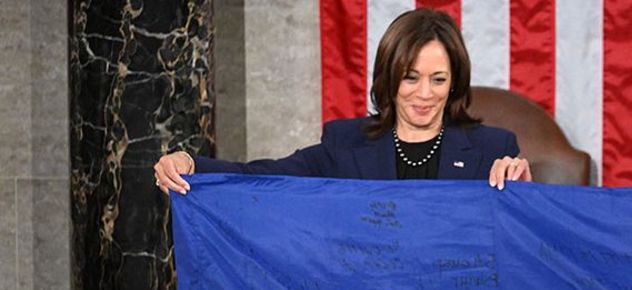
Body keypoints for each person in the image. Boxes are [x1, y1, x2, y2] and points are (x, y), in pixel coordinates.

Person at [153, 9, 530, 193]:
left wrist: (525, 192)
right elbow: (264, 176)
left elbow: (528, 241)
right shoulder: (344, 143)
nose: (425, 93)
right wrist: (192, 166)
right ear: (389, 77)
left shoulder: (495, 149)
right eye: (410, 77)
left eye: (439, 79)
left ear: (455, 83)